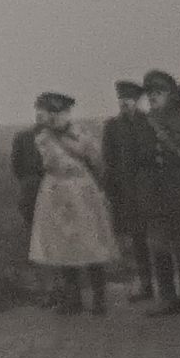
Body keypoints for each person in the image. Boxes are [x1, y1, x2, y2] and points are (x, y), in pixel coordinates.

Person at [28, 92, 118, 315]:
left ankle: (99, 297)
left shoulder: (83, 136)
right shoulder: (42, 138)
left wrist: (100, 190)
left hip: (82, 192)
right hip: (55, 193)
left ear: (68, 113)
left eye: (59, 112)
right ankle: (72, 298)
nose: (55, 117)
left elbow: (98, 163)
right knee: (63, 244)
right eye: (51, 113)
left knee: (92, 243)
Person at [138, 69, 180, 314]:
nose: (152, 97)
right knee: (159, 246)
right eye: (150, 93)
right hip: (153, 195)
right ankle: (167, 297)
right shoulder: (144, 124)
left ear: (170, 95)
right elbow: (137, 162)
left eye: (158, 92)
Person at [103, 80, 153, 302]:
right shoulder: (112, 126)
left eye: (129, 98)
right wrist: (112, 192)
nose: (124, 102)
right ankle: (146, 285)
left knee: (159, 240)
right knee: (138, 240)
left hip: (151, 190)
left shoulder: (149, 122)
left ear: (137, 100)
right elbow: (109, 161)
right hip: (128, 193)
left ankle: (172, 289)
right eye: (121, 98)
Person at [10, 110, 49, 306]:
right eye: (39, 111)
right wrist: (30, 184)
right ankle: (46, 290)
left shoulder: (59, 137)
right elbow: (17, 167)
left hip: (56, 193)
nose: (42, 116)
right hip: (32, 194)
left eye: (47, 112)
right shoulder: (24, 138)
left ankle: (64, 288)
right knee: (37, 242)